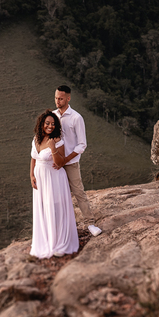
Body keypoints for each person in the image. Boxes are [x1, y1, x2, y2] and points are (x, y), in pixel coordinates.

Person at [52, 85, 102, 236]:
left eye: (60, 98)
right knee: (58, 195)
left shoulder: (76, 117)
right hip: (55, 164)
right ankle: (63, 227)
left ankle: (90, 223)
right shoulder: (52, 116)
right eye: (56, 98)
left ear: (68, 98)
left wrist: (66, 159)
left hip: (71, 163)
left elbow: (82, 144)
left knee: (79, 192)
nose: (57, 101)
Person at [29, 111, 79, 258]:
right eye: (47, 123)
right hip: (40, 179)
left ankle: (58, 243)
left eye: (53, 124)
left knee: (55, 208)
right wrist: (31, 175)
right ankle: (45, 240)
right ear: (42, 124)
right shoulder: (36, 139)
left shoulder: (57, 140)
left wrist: (53, 148)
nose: (50, 126)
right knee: (43, 208)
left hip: (54, 179)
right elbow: (33, 158)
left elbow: (60, 163)